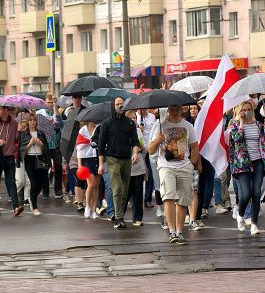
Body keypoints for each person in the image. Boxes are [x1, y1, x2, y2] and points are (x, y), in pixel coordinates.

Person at [148, 104, 199, 245]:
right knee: (168, 198)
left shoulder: (188, 126)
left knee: (182, 201)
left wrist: (191, 164)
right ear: (168, 109)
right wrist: (158, 140)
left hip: (184, 167)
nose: (175, 109)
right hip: (166, 167)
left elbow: (195, 147)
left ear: (182, 109)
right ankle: (172, 232)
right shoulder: (160, 126)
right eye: (172, 107)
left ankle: (180, 232)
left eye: (177, 107)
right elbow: (151, 150)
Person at [98, 97, 141, 229]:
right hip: (112, 159)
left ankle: (119, 214)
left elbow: (135, 142)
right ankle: (119, 218)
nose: (120, 106)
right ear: (113, 106)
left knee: (124, 190)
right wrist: (101, 164)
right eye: (117, 104)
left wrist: (135, 153)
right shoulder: (106, 123)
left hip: (127, 159)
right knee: (116, 188)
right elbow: (101, 145)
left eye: (121, 104)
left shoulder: (130, 123)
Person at [229, 100, 264, 235]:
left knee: (256, 194)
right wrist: (242, 124)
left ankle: (254, 224)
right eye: (243, 110)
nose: (246, 112)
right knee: (246, 194)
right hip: (243, 164)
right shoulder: (235, 126)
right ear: (239, 112)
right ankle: (240, 214)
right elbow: (237, 139)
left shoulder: (259, 125)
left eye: (249, 109)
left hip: (258, 162)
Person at [0, 105, 24, 217]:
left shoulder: (15, 123)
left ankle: (16, 207)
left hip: (9, 156)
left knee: (11, 182)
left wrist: (21, 131)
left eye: (0, 109)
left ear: (6, 110)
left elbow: (18, 139)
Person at [17, 112, 50, 215]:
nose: (32, 122)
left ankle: (31, 199)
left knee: (40, 184)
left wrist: (40, 144)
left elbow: (46, 149)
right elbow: (22, 151)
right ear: (27, 121)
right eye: (30, 120)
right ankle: (34, 206)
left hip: (40, 159)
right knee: (34, 183)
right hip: (30, 160)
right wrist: (30, 143)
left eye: (34, 120)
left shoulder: (41, 133)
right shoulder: (24, 134)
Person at [76, 121, 100, 219]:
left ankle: (94, 210)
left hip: (98, 158)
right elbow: (79, 147)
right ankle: (87, 206)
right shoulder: (83, 130)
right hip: (86, 159)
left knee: (97, 186)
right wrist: (79, 164)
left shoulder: (99, 128)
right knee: (91, 184)